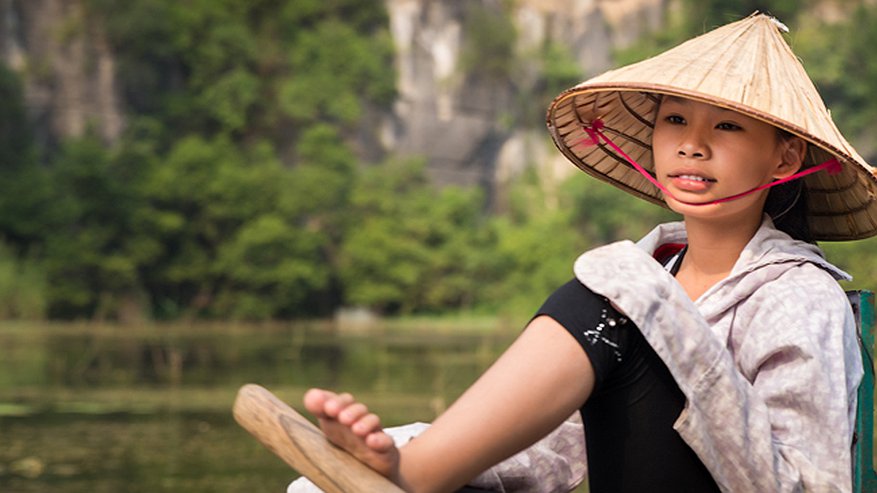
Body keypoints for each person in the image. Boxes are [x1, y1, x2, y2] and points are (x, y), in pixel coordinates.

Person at [302, 13, 877, 492]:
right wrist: (406, 450)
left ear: (783, 159)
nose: (691, 145)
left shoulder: (798, 296)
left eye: (727, 127)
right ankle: (419, 467)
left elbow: (812, 486)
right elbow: (552, 454)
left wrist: (682, 344)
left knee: (617, 291)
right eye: (675, 119)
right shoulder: (650, 276)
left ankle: (417, 474)